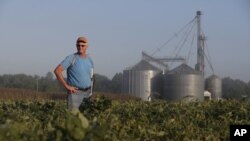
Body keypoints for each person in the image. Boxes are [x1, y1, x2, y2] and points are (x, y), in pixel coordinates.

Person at [54, 36, 94, 110]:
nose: (80, 47)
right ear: (76, 46)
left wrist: (91, 92)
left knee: (86, 118)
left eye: (82, 45)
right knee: (73, 118)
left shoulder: (89, 59)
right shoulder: (71, 58)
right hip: (75, 94)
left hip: (87, 93)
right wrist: (67, 86)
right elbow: (57, 71)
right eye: (78, 45)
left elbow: (91, 77)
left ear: (87, 46)